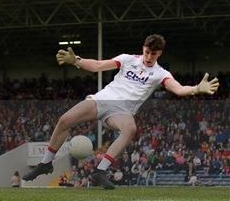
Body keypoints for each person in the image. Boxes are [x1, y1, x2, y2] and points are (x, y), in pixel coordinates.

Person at [23, 34, 219, 189]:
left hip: (122, 110)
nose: (150, 57)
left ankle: (100, 171)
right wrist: (77, 61)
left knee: (130, 129)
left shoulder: (161, 73)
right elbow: (99, 65)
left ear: (160, 54)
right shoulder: (127, 59)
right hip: (103, 99)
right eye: (147, 52)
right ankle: (46, 163)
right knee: (65, 119)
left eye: (154, 54)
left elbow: (177, 88)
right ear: (143, 48)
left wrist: (195, 89)